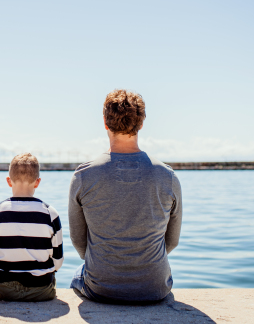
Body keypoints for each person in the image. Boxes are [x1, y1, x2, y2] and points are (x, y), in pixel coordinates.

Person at [69, 89, 182, 304]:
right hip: (155, 287)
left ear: (105, 122)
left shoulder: (84, 176)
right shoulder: (167, 176)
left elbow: (78, 241)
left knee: (77, 273)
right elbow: (172, 241)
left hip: (101, 287)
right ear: (141, 124)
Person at [0, 153, 63, 302]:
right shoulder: (50, 213)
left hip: (3, 289)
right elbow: (58, 262)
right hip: (41, 290)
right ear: (37, 182)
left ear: (9, 181)